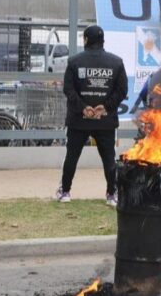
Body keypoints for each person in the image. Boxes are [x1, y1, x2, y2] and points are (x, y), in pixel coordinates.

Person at [58, 25, 128, 206]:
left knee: (72, 156)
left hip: (79, 120)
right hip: (105, 120)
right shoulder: (117, 62)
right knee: (108, 158)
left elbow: (68, 89)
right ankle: (112, 194)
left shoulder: (74, 62)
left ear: (86, 40)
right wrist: (104, 108)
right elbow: (122, 91)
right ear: (103, 41)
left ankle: (65, 192)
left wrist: (84, 108)